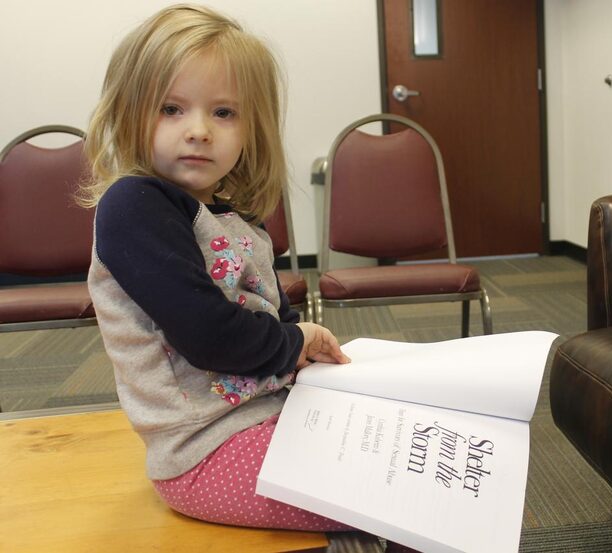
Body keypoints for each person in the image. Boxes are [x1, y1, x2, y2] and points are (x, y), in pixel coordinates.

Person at [79, 6, 420, 551]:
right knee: (393, 496)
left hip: (271, 415)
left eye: (223, 113)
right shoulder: (135, 206)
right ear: (129, 112)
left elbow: (273, 316)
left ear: (250, 126)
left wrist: (308, 350)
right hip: (204, 451)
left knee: (407, 455)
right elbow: (210, 335)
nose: (197, 130)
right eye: (171, 108)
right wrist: (294, 342)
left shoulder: (237, 217)